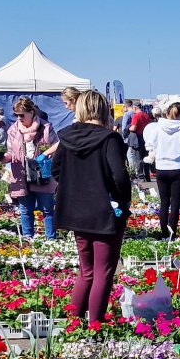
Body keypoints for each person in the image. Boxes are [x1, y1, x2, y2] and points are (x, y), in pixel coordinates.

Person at [56, 91, 133, 327]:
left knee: (86, 270)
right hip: (105, 211)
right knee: (103, 271)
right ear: (103, 109)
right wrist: (123, 201)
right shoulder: (109, 138)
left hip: (76, 210)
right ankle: (95, 324)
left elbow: (55, 170)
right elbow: (120, 176)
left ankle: (74, 322)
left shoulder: (66, 136)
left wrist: (77, 187)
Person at [5, 96, 58, 238]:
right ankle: (28, 239)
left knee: (47, 209)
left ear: (31, 112)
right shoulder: (13, 130)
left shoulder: (46, 128)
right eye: (16, 115)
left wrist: (46, 155)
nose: (19, 118)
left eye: (22, 115)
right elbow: (10, 152)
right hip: (21, 173)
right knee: (25, 210)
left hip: (42, 173)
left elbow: (56, 147)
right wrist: (2, 158)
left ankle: (51, 239)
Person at [145, 101, 180, 239]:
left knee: (164, 202)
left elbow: (150, 145)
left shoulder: (158, 128)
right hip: (178, 168)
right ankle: (172, 233)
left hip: (161, 168)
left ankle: (163, 233)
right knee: (175, 204)